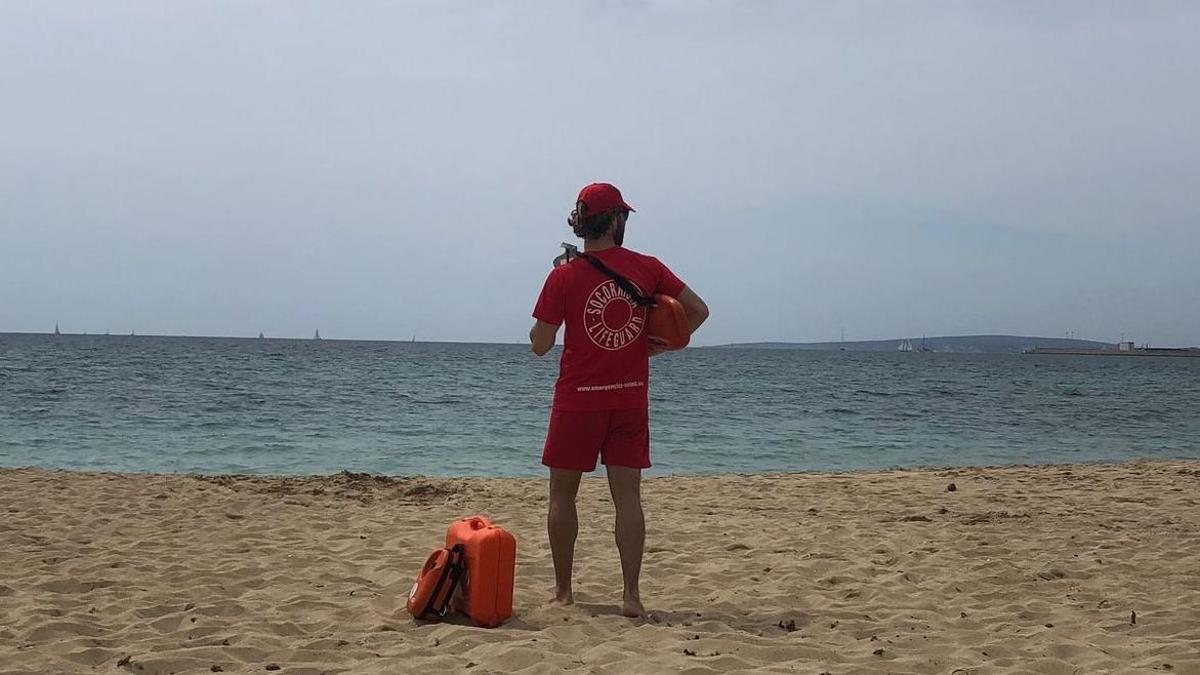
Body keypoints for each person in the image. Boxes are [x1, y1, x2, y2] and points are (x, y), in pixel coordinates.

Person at [529, 182, 709, 617]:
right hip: (629, 401)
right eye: (623, 215)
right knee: (628, 499)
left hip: (577, 400)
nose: (625, 221)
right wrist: (659, 345)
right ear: (614, 220)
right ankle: (631, 596)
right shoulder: (647, 268)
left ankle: (564, 593)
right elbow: (698, 311)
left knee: (561, 497)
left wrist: (548, 321)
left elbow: (540, 344)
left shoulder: (563, 274)